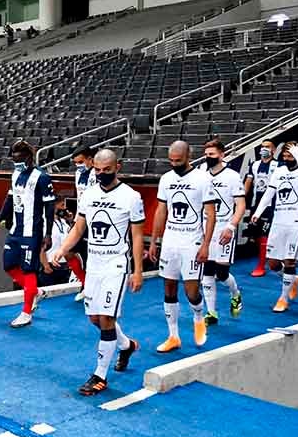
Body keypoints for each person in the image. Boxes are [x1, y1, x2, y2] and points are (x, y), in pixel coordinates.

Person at [51, 149, 144, 395]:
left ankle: (99, 376)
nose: (102, 174)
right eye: (98, 170)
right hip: (94, 265)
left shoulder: (131, 197)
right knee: (95, 319)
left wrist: (138, 271)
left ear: (118, 167)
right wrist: (62, 249)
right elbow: (79, 227)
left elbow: (136, 237)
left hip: (116, 266)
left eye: (107, 170)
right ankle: (126, 346)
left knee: (106, 319)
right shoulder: (89, 195)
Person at [148, 141, 216, 352]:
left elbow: (211, 214)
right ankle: (173, 336)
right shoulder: (166, 179)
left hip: (192, 241)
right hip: (170, 240)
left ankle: (198, 316)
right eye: (171, 160)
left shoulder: (203, 179)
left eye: (178, 160)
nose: (174, 164)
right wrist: (154, 241)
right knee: (168, 287)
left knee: (191, 291)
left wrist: (206, 245)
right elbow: (161, 211)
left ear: (189, 156)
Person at [0, 140, 55, 328]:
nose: (16, 162)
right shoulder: (16, 174)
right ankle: (34, 290)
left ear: (29, 157)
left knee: (29, 270)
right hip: (15, 230)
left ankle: (26, 313)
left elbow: (50, 206)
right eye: (14, 159)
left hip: (32, 232)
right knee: (9, 265)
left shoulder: (42, 177)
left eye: (19, 159)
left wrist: (48, 233)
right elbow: (10, 199)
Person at [251, 142, 298, 313]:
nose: (287, 159)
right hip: (278, 221)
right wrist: (258, 212)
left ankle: (283, 298)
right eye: (285, 156)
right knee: (273, 264)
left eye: (290, 156)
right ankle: (293, 280)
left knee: (289, 261)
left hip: (296, 222)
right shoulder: (279, 171)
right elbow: (269, 193)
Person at [200, 140, 246, 326]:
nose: (208, 157)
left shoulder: (233, 176)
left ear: (222, 155)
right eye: (206, 154)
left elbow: (241, 205)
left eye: (212, 154)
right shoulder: (202, 175)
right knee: (207, 271)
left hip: (223, 229)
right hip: (205, 229)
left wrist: (231, 227)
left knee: (222, 273)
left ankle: (235, 294)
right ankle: (211, 312)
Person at [244, 139, 279, 277]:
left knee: (265, 235)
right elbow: (248, 182)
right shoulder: (254, 164)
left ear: (273, 150)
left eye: (267, 147)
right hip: (255, 205)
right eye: (262, 146)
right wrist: (240, 198)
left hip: (271, 206)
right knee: (256, 235)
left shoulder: (278, 165)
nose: (264, 149)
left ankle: (261, 265)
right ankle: (268, 256)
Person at [68, 145, 97, 301]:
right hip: (79, 220)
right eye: (75, 163)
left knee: (90, 258)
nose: (78, 165)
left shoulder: (98, 173)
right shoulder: (78, 174)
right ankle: (85, 282)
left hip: (94, 222)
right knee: (67, 252)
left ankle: (90, 288)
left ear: (90, 160)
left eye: (80, 161)